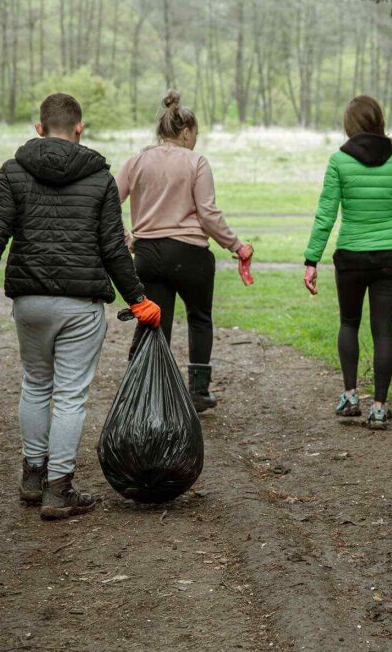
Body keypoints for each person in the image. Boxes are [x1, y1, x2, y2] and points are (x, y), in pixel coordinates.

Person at [0, 93, 161, 520]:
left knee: (35, 385)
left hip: (30, 303)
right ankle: (60, 490)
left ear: (39, 128)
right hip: (80, 306)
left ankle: (32, 477)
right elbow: (113, 249)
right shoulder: (100, 179)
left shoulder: (13, 171)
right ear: (79, 128)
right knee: (71, 396)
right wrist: (139, 299)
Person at [303, 95, 392, 429]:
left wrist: (312, 259)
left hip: (351, 257)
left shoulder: (338, 161)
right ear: (379, 121)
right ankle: (380, 407)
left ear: (350, 125)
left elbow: (326, 215)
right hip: (390, 258)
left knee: (349, 323)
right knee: (383, 329)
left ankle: (351, 395)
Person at [116, 90, 254, 413]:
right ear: (187, 132)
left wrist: (126, 237)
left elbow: (108, 200)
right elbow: (208, 213)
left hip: (148, 254)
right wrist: (236, 245)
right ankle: (199, 392)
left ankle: (151, 391)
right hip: (191, 255)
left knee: (155, 322)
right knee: (199, 317)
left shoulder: (137, 160)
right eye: (195, 136)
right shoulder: (196, 162)